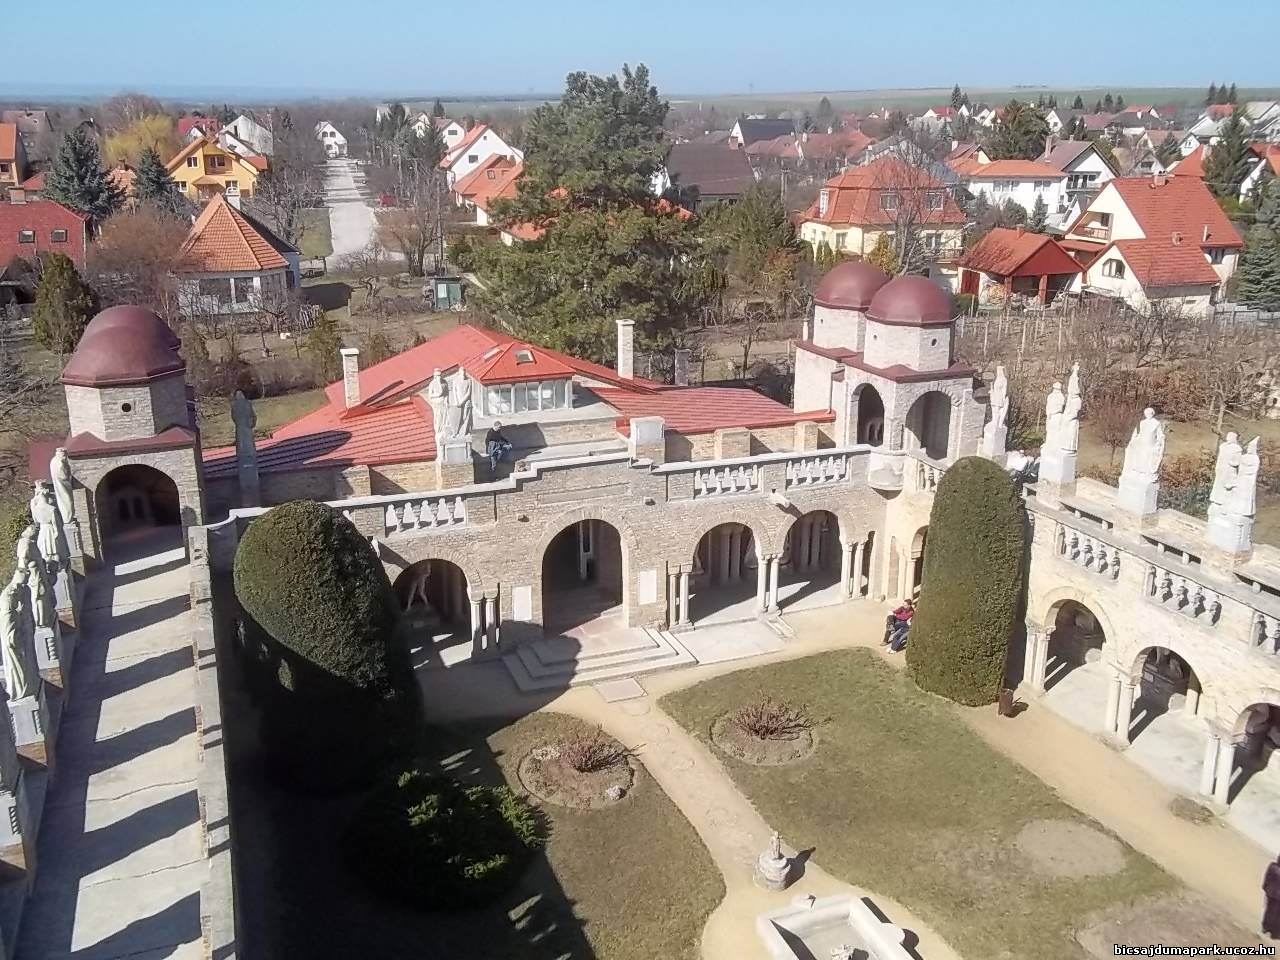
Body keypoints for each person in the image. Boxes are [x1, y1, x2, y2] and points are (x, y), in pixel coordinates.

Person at [1264, 854, 1280, 939]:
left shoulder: (1273, 866)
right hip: (1273, 894)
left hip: (1273, 893)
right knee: (1271, 912)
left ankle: (1273, 932)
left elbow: (1267, 878)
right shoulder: (1274, 868)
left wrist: (1265, 886)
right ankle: (1268, 930)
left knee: (1273, 913)